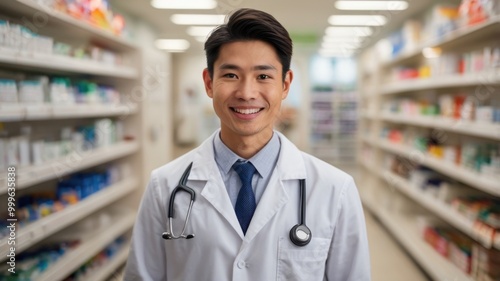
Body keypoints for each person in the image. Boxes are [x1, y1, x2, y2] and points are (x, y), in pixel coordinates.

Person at [124, 8, 370, 281]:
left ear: (285, 85)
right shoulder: (165, 186)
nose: (247, 93)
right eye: (231, 75)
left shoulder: (335, 189)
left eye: (263, 76)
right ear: (209, 82)